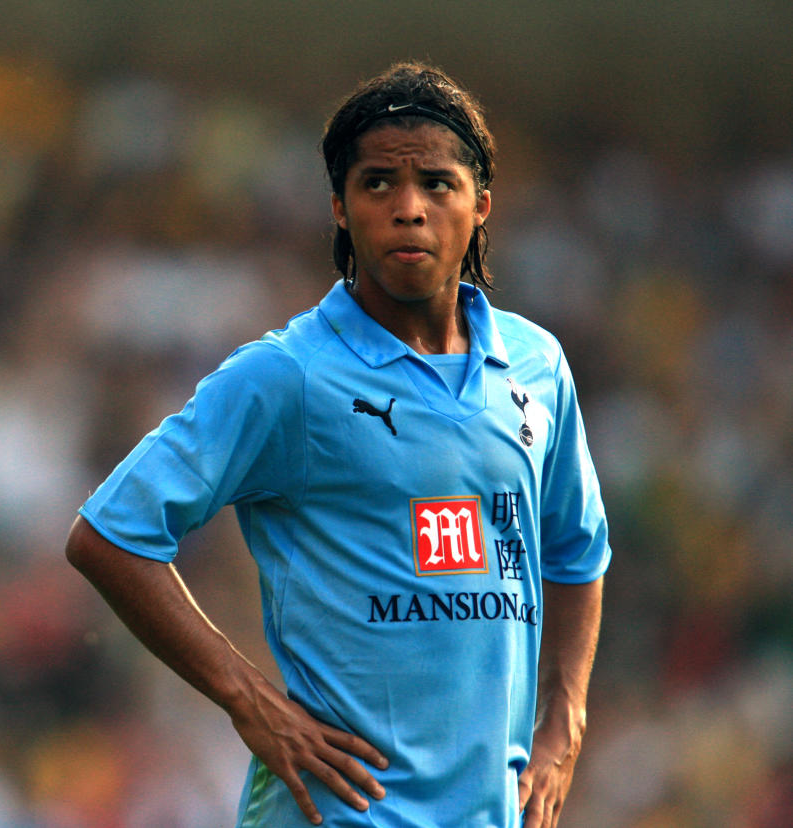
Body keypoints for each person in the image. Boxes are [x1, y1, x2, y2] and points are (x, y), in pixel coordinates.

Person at [65, 61, 609, 828]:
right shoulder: (287, 376)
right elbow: (109, 536)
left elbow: (576, 549)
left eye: (438, 185)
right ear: (340, 208)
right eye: (379, 183)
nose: (409, 209)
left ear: (482, 205)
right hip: (337, 813)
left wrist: (565, 722)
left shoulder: (536, 366)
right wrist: (247, 698)